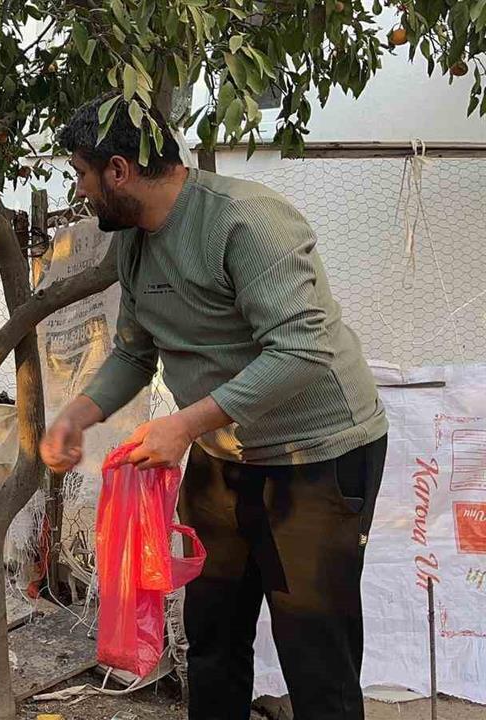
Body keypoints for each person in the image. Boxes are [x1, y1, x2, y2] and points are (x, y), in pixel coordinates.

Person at [40, 94, 388, 720]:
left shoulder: (245, 221)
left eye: (82, 174)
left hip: (317, 458)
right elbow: (134, 352)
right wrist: (77, 415)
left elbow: (302, 350)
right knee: (212, 639)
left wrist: (184, 424)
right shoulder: (134, 243)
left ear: (119, 170)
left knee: (316, 656)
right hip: (222, 455)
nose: (81, 191)